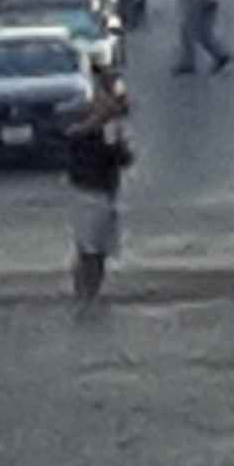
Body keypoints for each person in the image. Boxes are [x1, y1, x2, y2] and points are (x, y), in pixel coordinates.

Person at [64, 76, 137, 303]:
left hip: (106, 192)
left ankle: (91, 293)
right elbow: (71, 136)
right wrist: (99, 122)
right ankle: (83, 292)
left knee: (100, 249)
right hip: (86, 190)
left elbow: (124, 158)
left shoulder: (112, 128)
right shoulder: (82, 118)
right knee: (89, 248)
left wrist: (117, 140)